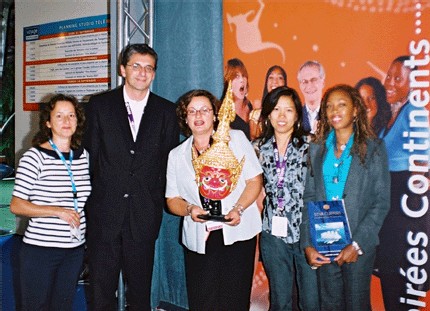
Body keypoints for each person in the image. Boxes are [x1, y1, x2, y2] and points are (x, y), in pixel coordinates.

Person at [83, 43, 179, 311]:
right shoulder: (100, 106)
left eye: (149, 68)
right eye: (136, 66)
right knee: (102, 292)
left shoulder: (166, 112)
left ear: (154, 74)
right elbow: (90, 157)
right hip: (104, 214)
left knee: (140, 293)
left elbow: (167, 165)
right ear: (123, 69)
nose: (142, 73)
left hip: (144, 215)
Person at [165, 86, 263, 311]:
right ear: (185, 117)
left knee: (235, 301)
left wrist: (238, 209)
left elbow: (254, 181)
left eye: (204, 110)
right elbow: (172, 200)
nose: (198, 116)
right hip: (200, 238)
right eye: (192, 111)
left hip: (236, 233)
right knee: (203, 301)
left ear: (214, 114)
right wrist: (190, 210)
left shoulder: (235, 138)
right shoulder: (176, 155)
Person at [300, 84, 390, 310]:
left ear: (356, 111)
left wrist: (357, 244)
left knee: (357, 305)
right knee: (329, 304)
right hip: (324, 244)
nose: (334, 110)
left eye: (342, 105)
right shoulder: (317, 148)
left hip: (357, 246)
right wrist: (308, 244)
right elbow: (308, 198)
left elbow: (381, 202)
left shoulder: (374, 148)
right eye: (329, 106)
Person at [10, 93, 91, 311]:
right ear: (48, 122)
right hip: (41, 250)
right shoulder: (33, 157)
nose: (66, 121)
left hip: (74, 249)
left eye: (71, 115)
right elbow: (16, 205)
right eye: (59, 116)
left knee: (62, 306)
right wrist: (57, 211)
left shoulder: (83, 156)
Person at [253, 86, 319, 310]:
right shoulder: (257, 148)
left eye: (288, 110)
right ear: (268, 113)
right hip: (273, 232)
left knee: (310, 300)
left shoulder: (312, 146)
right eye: (276, 109)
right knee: (280, 300)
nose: (281, 116)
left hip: (307, 232)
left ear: (297, 115)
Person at [376, 56, 430, 311]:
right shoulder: (388, 115)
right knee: (389, 277)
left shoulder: (415, 112)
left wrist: (412, 218)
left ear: (412, 84)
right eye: (389, 76)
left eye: (398, 78)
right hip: (387, 208)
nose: (390, 82)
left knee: (403, 282)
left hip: (404, 209)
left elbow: (423, 168)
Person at [250, 65, 288, 140]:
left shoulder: (291, 113)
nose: (274, 81)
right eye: (271, 77)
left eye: (280, 78)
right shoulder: (256, 115)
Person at [221, 58, 253, 139]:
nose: (242, 80)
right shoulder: (223, 112)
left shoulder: (249, 105)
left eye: (243, 76)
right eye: (236, 76)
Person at [297, 60, 326, 134]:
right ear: (300, 85)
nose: (309, 86)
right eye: (304, 81)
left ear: (323, 82)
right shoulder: (295, 117)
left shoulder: (331, 114)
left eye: (313, 80)